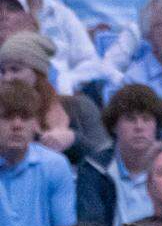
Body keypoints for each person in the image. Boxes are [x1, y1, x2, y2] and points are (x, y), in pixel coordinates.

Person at [0, 0, 103, 97]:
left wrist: (67, 80)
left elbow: (90, 60)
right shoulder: (3, 17)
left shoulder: (61, 13)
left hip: (61, 95)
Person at [0, 32, 107, 166]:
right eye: (3, 71)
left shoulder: (79, 106)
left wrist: (74, 140)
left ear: (38, 72)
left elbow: (107, 159)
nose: (7, 78)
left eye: (15, 69)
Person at [76, 84, 162, 226]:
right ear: (114, 126)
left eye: (146, 119)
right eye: (130, 119)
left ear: (156, 126)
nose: (139, 127)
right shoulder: (94, 169)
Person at [0, 80, 75, 226]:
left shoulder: (55, 165)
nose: (17, 125)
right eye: (7, 117)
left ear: (35, 124)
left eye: (25, 117)